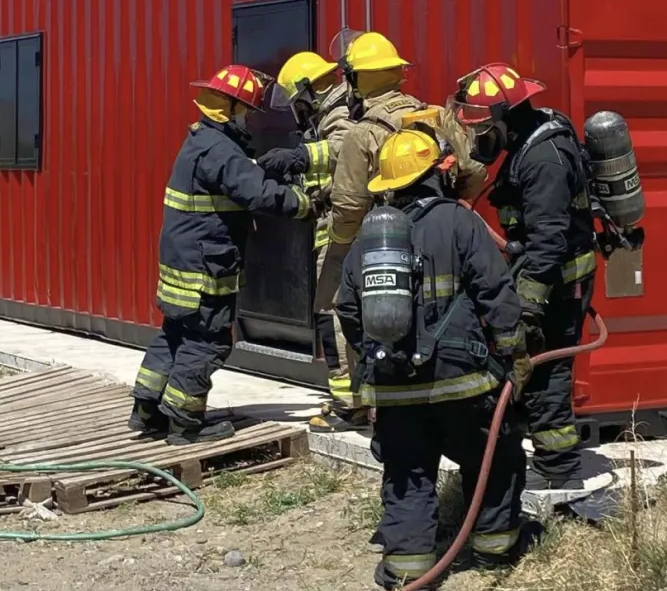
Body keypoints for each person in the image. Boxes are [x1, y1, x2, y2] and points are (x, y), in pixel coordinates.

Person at [336, 129, 532, 590]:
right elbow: (497, 294)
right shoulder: (459, 222)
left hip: (393, 384)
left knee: (407, 473)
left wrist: (375, 354)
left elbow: (346, 307)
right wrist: (514, 352)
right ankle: (494, 548)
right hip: (460, 381)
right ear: (440, 172)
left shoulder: (370, 238)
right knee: (493, 458)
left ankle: (408, 568)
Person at [317, 30, 489, 433]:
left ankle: (353, 404)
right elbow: (474, 171)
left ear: (356, 80)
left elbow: (347, 205)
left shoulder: (363, 133)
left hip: (381, 237)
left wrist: (342, 252)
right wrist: (452, 211)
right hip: (440, 236)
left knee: (339, 306)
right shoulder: (436, 117)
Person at [129, 65, 311, 446]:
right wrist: (300, 201)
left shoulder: (201, 140)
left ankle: (148, 410)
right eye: (245, 109)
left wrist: (258, 167)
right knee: (208, 340)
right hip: (205, 265)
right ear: (228, 107)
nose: (249, 118)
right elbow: (257, 195)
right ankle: (186, 422)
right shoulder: (220, 150)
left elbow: (235, 181)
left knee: (176, 332)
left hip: (184, 259)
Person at [450, 62, 597, 489]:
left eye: (481, 128)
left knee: (546, 373)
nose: (479, 137)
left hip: (556, 283)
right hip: (541, 273)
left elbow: (549, 240)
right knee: (530, 368)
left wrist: (529, 306)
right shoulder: (529, 139)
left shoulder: (543, 160)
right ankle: (544, 462)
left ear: (503, 118)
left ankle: (561, 473)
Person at [257, 50, 362, 430]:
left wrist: (299, 156)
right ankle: (354, 398)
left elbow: (346, 151)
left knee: (330, 315)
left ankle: (349, 404)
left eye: (293, 101)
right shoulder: (329, 114)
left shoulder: (339, 114)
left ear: (305, 92)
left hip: (344, 237)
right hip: (333, 232)